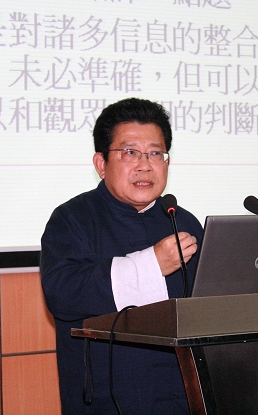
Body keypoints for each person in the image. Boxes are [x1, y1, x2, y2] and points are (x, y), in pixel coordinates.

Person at [40, 98, 203, 414]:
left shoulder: (182, 221)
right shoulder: (72, 219)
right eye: (130, 152)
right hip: (108, 397)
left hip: (181, 393)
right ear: (101, 163)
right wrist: (151, 265)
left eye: (155, 153)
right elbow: (61, 294)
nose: (145, 165)